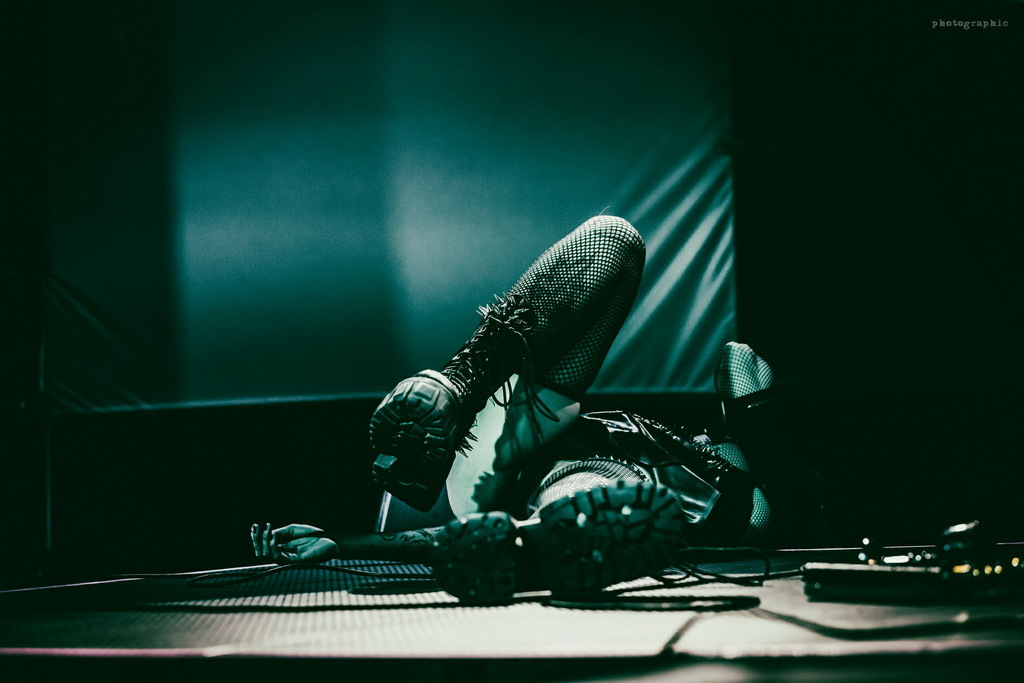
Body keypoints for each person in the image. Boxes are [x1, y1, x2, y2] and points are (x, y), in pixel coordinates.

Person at [251, 216, 788, 602]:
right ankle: (466, 391)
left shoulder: (746, 486)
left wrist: (343, 543)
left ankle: (525, 530)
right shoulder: (741, 474)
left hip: (510, 484)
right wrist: (343, 542)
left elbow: (742, 375)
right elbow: (742, 368)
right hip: (509, 466)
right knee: (612, 242)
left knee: (616, 243)